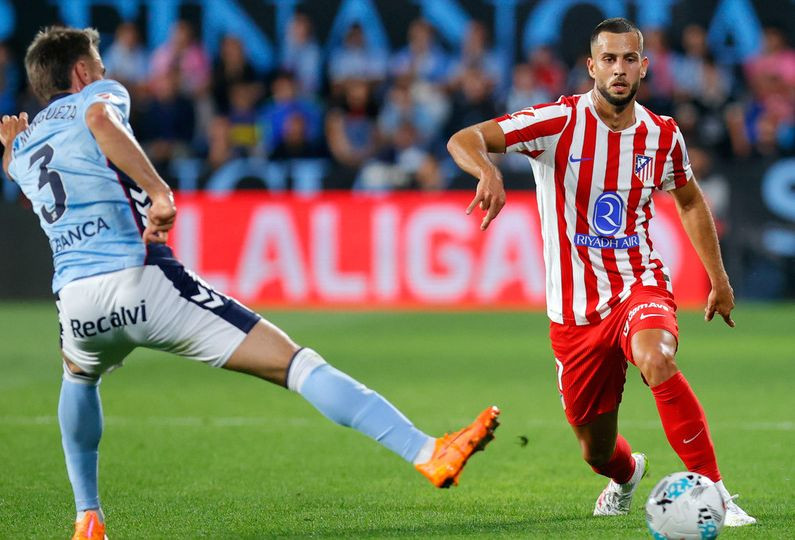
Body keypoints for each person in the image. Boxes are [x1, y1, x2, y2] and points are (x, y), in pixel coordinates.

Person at [0, 26, 500, 540]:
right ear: (82, 71)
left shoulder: (25, 146)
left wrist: (10, 147)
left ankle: (87, 516)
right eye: (100, 65)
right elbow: (100, 121)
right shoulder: (98, 96)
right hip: (141, 278)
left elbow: (18, 171)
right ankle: (427, 452)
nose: (105, 73)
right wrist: (159, 190)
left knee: (79, 379)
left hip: (76, 304)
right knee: (296, 364)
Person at [446, 18, 755, 527]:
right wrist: (487, 170)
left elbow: (689, 200)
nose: (619, 69)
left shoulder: (662, 134)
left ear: (643, 67)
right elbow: (465, 138)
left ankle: (716, 495)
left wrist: (718, 279)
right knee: (596, 450)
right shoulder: (557, 122)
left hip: (639, 283)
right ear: (591, 66)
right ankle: (626, 475)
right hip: (574, 312)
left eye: (629, 59)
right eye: (609, 59)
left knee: (656, 357)